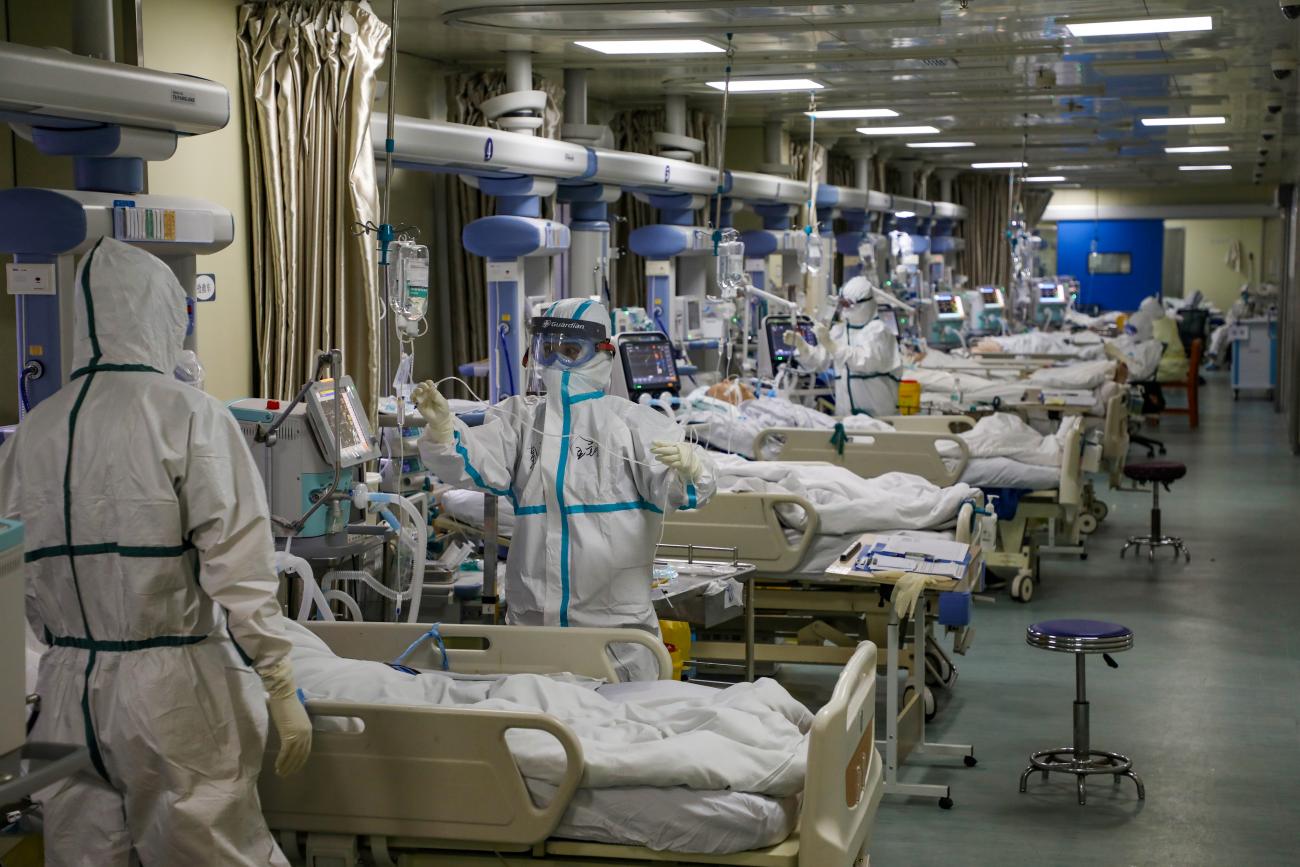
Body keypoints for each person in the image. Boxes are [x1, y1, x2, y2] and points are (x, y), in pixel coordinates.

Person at [0, 237, 311, 866]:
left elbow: (15, 572)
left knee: (82, 854)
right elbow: (240, 569)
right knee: (212, 850)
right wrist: (278, 678)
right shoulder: (189, 417)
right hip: (172, 694)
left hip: (65, 695)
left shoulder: (33, 429)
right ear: (159, 316)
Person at [414, 298, 716, 681]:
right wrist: (445, 431)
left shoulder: (634, 426)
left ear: (602, 354)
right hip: (534, 629)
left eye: (571, 351)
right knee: (537, 732)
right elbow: (471, 462)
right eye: (548, 349)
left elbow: (683, 490)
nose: (557, 363)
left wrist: (693, 469)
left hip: (614, 634)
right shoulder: (520, 421)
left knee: (620, 732)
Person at [784, 275, 904, 417]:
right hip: (846, 416)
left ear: (865, 303)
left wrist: (832, 345)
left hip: (879, 414)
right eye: (843, 304)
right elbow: (820, 362)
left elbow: (865, 361)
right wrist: (802, 347)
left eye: (849, 304)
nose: (845, 309)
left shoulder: (878, 331)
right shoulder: (840, 331)